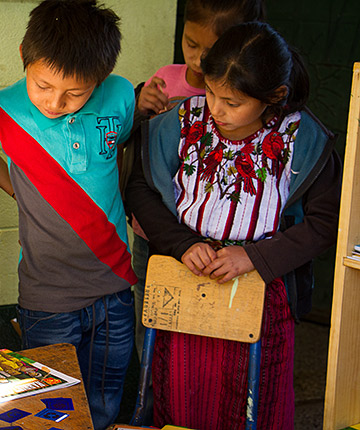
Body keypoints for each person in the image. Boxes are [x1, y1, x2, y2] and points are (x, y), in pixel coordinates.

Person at [125, 21, 341, 429]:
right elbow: (140, 187)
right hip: (185, 279)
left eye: (232, 101)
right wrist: (181, 243)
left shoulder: (302, 137)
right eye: (209, 92)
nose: (215, 109)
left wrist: (255, 256)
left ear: (273, 97)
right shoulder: (182, 123)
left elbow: (324, 223)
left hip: (262, 293)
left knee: (254, 404)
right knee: (180, 396)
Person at [0, 1, 136, 428]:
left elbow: (119, 150)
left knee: (105, 396)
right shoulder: (1, 109)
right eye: (42, 85)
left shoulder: (119, 94)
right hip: (48, 296)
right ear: (25, 55)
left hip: (115, 285)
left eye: (75, 93)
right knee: (50, 408)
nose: (56, 102)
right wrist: (18, 185)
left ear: (98, 79)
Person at [127, 0, 266, 354]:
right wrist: (141, 105)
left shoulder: (253, 97)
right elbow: (141, 152)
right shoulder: (167, 78)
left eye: (212, 50)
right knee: (154, 317)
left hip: (217, 247)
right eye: (191, 44)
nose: (199, 59)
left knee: (209, 332)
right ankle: (154, 396)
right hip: (155, 233)